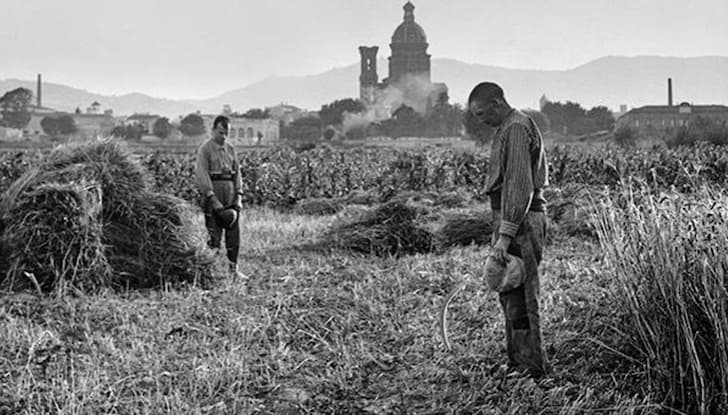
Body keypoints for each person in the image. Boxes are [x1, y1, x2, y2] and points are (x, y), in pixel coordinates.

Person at [468, 82, 549, 377]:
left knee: (523, 296)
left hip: (521, 222)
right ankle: (518, 362)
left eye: (482, 113)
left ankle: (530, 367)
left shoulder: (515, 128)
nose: (481, 120)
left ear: (497, 102)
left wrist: (504, 237)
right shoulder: (508, 126)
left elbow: (518, 187)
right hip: (512, 221)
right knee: (510, 292)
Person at [195, 115, 244, 278]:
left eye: (226, 133)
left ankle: (233, 270)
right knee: (214, 235)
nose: (223, 136)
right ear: (213, 130)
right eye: (221, 133)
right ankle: (209, 272)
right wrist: (212, 198)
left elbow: (237, 174)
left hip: (230, 194)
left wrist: (238, 197)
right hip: (214, 195)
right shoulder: (205, 149)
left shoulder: (231, 149)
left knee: (234, 235)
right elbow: (202, 174)